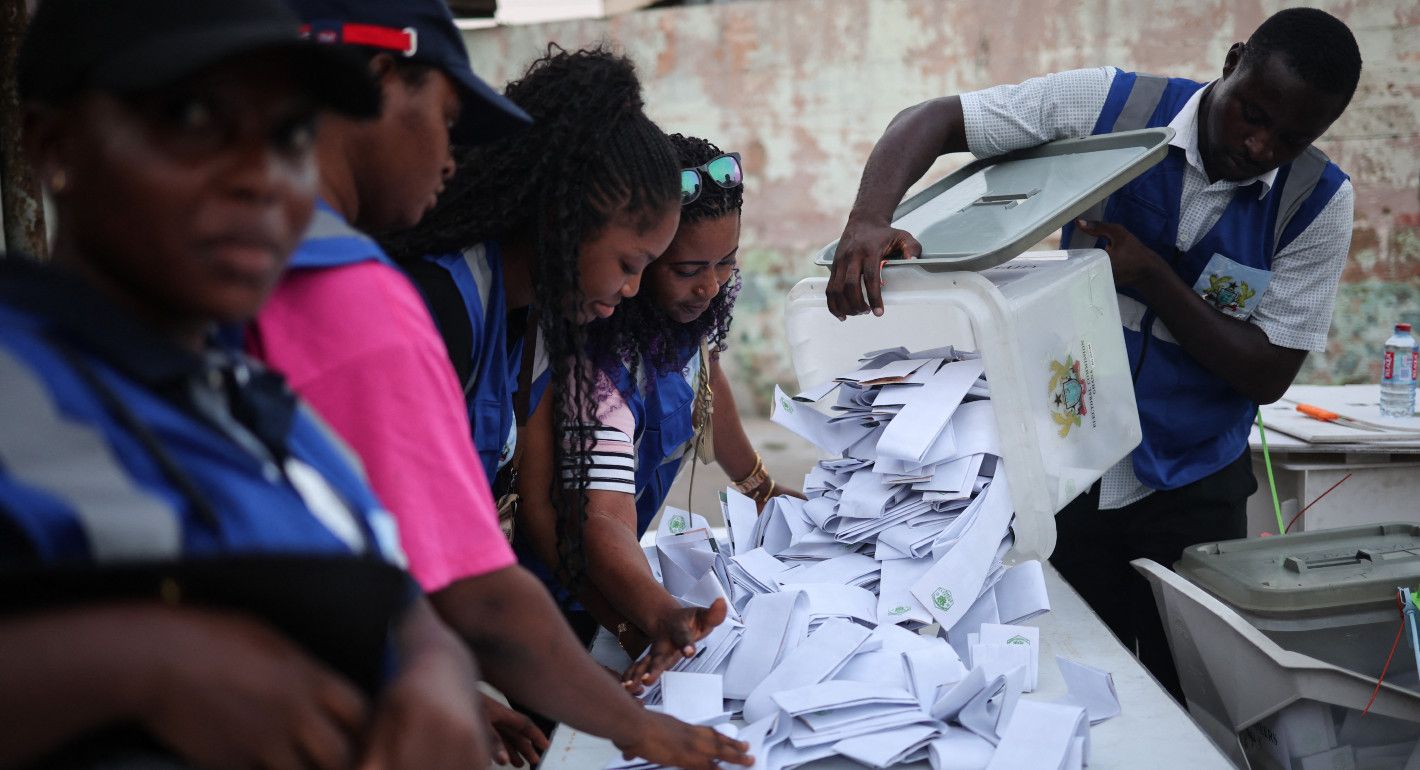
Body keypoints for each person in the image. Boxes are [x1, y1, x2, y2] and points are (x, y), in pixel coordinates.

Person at [245, 10, 746, 766]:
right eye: (630, 263)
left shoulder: (521, 322)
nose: (456, 154)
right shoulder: (410, 306)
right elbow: (469, 582)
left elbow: (522, 522)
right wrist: (636, 725)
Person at [0, 1, 489, 768]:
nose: (261, 178)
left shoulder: (267, 410)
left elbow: (392, 596)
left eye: (291, 134)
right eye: (194, 117)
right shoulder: (19, 387)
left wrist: (437, 668)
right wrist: (140, 666)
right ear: (51, 142)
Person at [824, 8, 1360, 699]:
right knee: (1067, 680)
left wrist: (1155, 281)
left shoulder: (1318, 203)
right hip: (1065, 470)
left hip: (1194, 488)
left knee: (1190, 697)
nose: (1260, 146)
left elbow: (1266, 373)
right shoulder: (1113, 105)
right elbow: (934, 119)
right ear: (1231, 64)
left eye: (1291, 138)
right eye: (1251, 114)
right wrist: (869, 217)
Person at [380, 47, 714, 672]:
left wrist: (641, 618)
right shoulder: (439, 309)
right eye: (628, 264)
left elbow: (541, 512)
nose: (633, 290)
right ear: (564, 222)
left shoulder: (535, 325)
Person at [518, 134, 806, 685]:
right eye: (687, 269)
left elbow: (708, 379)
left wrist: (760, 486)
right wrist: (653, 616)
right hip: (571, 607)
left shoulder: (680, 322)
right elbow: (600, 521)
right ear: (644, 256)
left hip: (636, 596)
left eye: (726, 263)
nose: (710, 286)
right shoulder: (598, 376)